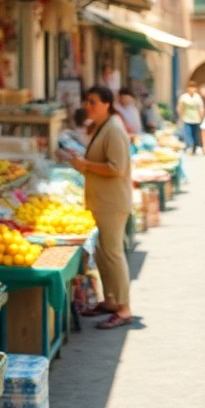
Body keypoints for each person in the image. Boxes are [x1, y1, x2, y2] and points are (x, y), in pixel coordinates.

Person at [70, 86, 133, 329]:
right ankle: (111, 300)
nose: (88, 106)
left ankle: (124, 308)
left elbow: (116, 167)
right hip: (102, 201)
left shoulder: (114, 129)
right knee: (103, 253)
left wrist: (85, 165)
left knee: (113, 253)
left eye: (93, 102)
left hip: (112, 202)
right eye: (86, 101)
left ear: (107, 103)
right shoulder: (102, 127)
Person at [177, 81, 205, 154]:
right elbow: (180, 107)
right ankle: (190, 146)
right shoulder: (184, 97)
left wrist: (202, 118)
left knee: (196, 135)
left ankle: (195, 147)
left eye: (193, 87)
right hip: (187, 118)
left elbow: (201, 108)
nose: (192, 89)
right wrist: (180, 116)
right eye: (191, 87)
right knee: (188, 133)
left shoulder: (197, 97)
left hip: (196, 118)